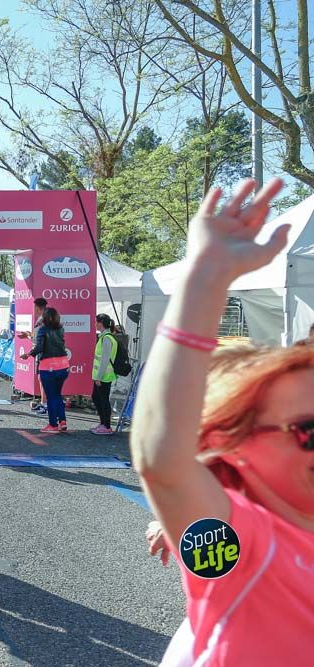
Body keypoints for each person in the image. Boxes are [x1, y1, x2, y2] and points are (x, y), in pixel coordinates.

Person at [131, 177, 314, 662]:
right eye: (310, 432)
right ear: (232, 445)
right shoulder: (242, 546)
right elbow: (161, 460)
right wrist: (206, 276)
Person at [20, 307, 68, 433]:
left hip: (49, 366)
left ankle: (53, 425)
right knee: (57, 395)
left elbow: (39, 347)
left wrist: (28, 354)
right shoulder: (60, 329)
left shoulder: (43, 330)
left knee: (51, 397)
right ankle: (62, 421)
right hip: (63, 365)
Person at [17, 298, 48, 414]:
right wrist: (29, 336)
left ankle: (45, 404)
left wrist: (29, 354)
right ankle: (44, 403)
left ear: (38, 308)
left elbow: (40, 342)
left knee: (43, 379)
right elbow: (38, 338)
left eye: (34, 307)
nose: (33, 310)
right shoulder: (47, 319)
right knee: (43, 379)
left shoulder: (42, 320)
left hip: (44, 355)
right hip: (47, 354)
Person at [91, 313, 118, 435]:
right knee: (97, 398)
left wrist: (99, 377)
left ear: (100, 323)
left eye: (96, 322)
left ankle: (106, 426)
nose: (94, 324)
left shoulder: (106, 338)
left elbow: (105, 359)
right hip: (102, 376)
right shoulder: (105, 337)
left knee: (103, 400)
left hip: (104, 376)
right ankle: (103, 423)